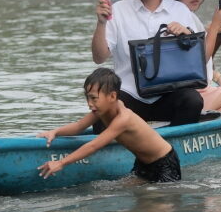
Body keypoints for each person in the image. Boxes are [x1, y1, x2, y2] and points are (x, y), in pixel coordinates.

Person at [92, 0, 203, 130]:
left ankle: (172, 149)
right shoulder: (118, 10)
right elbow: (99, 57)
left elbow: (196, 60)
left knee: (193, 101)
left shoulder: (179, 10)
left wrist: (186, 34)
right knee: (102, 110)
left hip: (168, 94)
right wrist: (101, 23)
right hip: (129, 95)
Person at [37, 68, 180, 183]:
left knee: (157, 205)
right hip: (143, 163)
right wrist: (55, 132)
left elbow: (94, 145)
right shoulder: (102, 109)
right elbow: (79, 125)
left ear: (112, 96)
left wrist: (61, 163)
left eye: (93, 98)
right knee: (131, 198)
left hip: (164, 163)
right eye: (87, 97)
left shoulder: (123, 118)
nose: (89, 103)